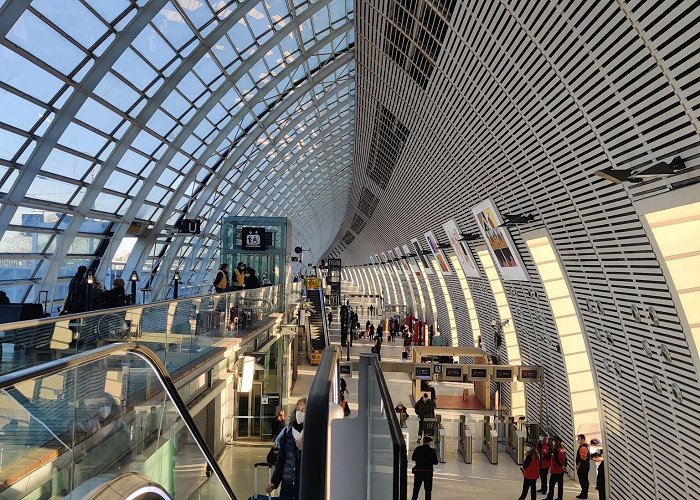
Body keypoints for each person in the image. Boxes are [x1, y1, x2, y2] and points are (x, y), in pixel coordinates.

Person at [267, 398, 306, 499]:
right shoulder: (287, 432)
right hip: (287, 488)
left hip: (305, 488)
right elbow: (281, 461)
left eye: (303, 410)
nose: (299, 413)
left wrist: (304, 449)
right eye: (298, 409)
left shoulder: (314, 434)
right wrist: (274, 482)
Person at [411, 435, 438, 500]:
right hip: (428, 473)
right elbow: (435, 462)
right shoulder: (432, 451)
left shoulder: (418, 449)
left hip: (418, 472)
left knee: (416, 489)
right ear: (429, 443)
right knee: (428, 491)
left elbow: (413, 458)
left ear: (423, 441)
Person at [575, 434, 590, 498]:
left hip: (583, 467)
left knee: (583, 480)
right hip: (584, 466)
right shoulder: (583, 447)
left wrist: (578, 465)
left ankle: (584, 494)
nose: (578, 440)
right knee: (584, 480)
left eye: (579, 439)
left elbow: (582, 458)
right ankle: (583, 493)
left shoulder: (583, 447)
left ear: (583, 439)